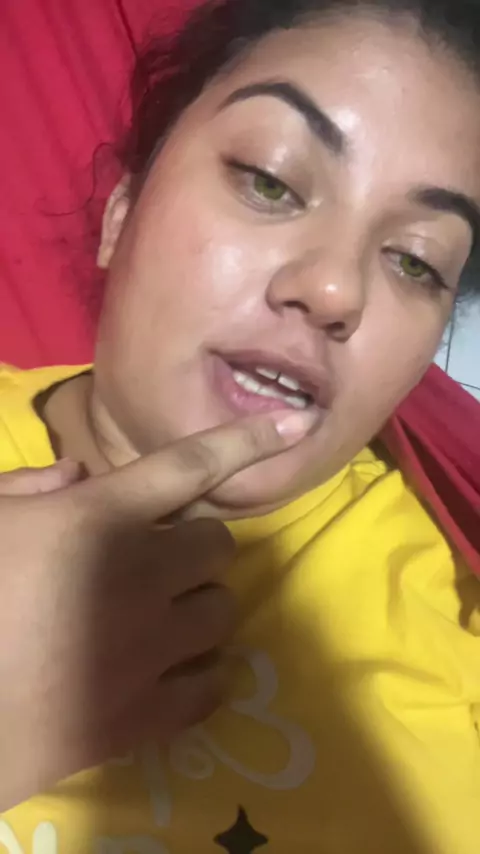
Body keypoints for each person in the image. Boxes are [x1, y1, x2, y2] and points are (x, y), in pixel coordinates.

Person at [1, 0, 480, 849]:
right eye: (270, 180)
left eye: (415, 260)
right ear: (120, 214)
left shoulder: (446, 614)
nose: (335, 290)